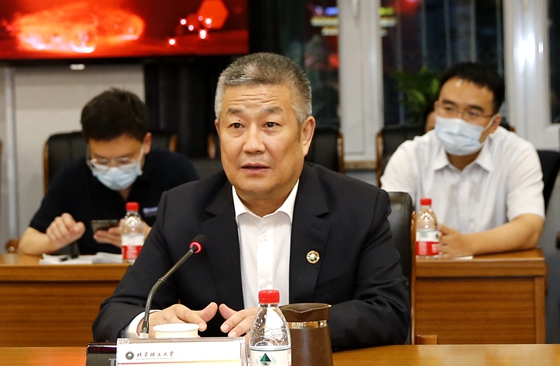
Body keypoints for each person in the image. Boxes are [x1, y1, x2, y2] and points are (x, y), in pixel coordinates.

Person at [92, 53, 410, 350]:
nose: (252, 144)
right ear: (219, 132)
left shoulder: (358, 207)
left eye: (270, 125)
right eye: (236, 126)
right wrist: (150, 322)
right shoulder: (181, 210)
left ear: (305, 134)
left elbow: (390, 313)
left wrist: (286, 324)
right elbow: (116, 312)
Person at [381, 62, 544, 258]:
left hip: (494, 268)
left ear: (494, 124)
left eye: (473, 113)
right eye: (449, 108)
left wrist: (467, 244)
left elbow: (530, 228)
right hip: (427, 270)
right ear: (437, 108)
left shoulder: (517, 153)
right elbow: (388, 224)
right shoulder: (410, 155)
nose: (458, 121)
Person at [18, 88, 198, 255]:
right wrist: (54, 240)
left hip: (160, 277)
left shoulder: (175, 169)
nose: (113, 168)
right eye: (101, 160)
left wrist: (151, 238)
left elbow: (203, 241)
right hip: (96, 277)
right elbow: (26, 243)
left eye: (124, 160)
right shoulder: (72, 176)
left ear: (146, 143)